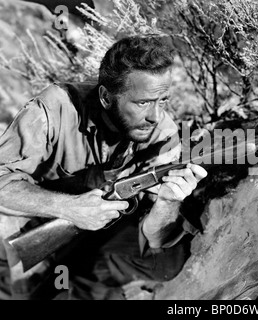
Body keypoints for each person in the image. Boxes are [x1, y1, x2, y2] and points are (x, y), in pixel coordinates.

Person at [0, 35, 207, 299]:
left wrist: (167, 202)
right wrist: (68, 208)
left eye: (162, 101)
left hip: (95, 233)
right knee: (20, 283)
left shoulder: (161, 132)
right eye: (142, 103)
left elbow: (154, 237)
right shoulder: (56, 109)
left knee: (167, 259)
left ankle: (79, 284)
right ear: (106, 97)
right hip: (27, 224)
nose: (155, 116)